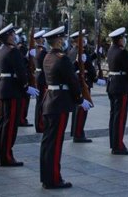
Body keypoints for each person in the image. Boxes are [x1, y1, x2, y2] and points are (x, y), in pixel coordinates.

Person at [40, 26, 92, 189]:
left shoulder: (48, 57)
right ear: (58, 40)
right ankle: (54, 179)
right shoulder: (62, 59)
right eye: (61, 39)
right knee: (55, 143)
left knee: (48, 142)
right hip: (60, 103)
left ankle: (46, 177)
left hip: (50, 102)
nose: (63, 41)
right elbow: (72, 80)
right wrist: (79, 99)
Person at [0, 23, 39, 167]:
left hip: (5, 88)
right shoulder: (13, 51)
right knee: (10, 125)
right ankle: (7, 156)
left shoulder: (3, 49)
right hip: (13, 89)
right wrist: (26, 86)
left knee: (4, 123)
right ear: (9, 36)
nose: (15, 36)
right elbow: (20, 71)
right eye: (13, 34)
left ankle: (2, 155)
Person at [71, 33, 102, 143]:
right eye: (81, 38)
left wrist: (95, 54)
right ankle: (78, 134)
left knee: (80, 110)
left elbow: (87, 60)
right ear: (76, 41)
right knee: (82, 110)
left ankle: (78, 132)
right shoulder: (78, 52)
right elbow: (87, 65)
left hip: (81, 82)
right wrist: (96, 79)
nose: (84, 40)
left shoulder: (75, 51)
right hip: (82, 82)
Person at [32, 30, 47, 133]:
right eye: (43, 37)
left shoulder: (35, 50)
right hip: (42, 77)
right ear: (40, 39)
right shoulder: (42, 51)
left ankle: (39, 124)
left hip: (38, 76)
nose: (44, 39)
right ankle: (40, 125)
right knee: (41, 102)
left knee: (39, 102)